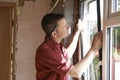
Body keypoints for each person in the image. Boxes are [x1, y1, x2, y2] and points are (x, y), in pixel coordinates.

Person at [35, 13, 103, 80]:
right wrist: (93, 50)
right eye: (65, 26)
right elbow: (76, 72)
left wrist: (77, 32)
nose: (68, 27)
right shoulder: (46, 51)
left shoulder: (56, 45)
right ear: (54, 34)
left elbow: (68, 54)